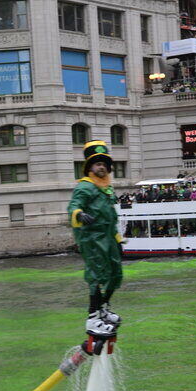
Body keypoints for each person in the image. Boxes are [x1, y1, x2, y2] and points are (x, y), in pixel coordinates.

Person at [68, 141, 123, 337]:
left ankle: (104, 310)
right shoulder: (86, 187)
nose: (101, 166)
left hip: (108, 238)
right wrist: (79, 214)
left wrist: (117, 239)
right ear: (90, 167)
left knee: (116, 274)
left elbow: (110, 217)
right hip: (93, 238)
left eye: (103, 163)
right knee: (99, 275)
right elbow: (74, 205)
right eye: (96, 163)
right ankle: (93, 318)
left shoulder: (106, 188)